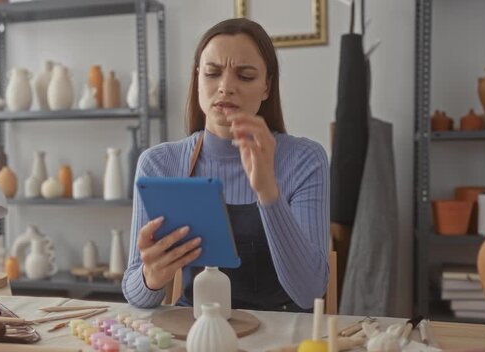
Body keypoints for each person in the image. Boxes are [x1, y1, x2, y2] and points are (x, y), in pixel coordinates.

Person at [122, 18, 329, 312]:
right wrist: (151, 276)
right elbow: (136, 295)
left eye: (245, 76)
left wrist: (268, 192)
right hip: (195, 332)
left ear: (267, 86)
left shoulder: (305, 160)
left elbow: (310, 294)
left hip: (283, 337)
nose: (225, 87)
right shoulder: (158, 164)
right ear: (197, 80)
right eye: (212, 73)